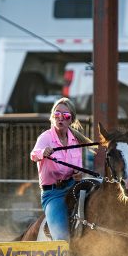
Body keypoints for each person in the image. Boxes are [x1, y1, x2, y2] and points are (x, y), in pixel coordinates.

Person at [30, 97, 89, 241]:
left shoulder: (76, 140)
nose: (60, 118)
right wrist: (42, 152)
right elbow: (33, 155)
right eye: (57, 115)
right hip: (53, 194)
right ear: (52, 117)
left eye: (65, 116)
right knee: (62, 239)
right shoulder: (45, 138)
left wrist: (78, 174)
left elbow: (79, 170)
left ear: (71, 120)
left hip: (74, 187)